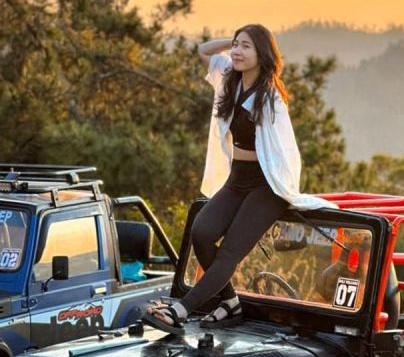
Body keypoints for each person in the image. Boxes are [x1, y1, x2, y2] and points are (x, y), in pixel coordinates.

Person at [142, 23, 337, 334]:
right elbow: (203, 50)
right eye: (235, 45)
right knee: (202, 232)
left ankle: (180, 309)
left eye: (246, 46)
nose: (236, 51)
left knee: (231, 251)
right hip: (237, 179)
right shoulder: (229, 79)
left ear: (263, 53)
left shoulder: (270, 96)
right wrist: (231, 42)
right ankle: (230, 303)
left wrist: (283, 186)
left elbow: (284, 149)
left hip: (266, 185)